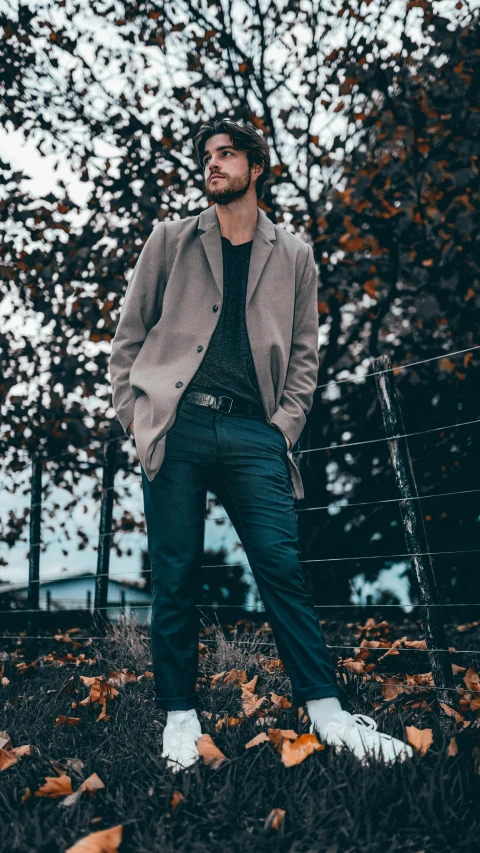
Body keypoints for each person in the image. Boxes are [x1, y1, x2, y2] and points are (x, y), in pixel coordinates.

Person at [109, 117, 413, 772]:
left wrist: (284, 429)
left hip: (255, 432)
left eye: (226, 154)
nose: (212, 164)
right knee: (177, 573)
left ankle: (329, 713)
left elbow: (306, 353)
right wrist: (138, 420)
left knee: (282, 567)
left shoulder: (295, 254)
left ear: (256, 165)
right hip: (177, 423)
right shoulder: (169, 240)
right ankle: (180, 718)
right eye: (206, 156)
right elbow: (128, 340)